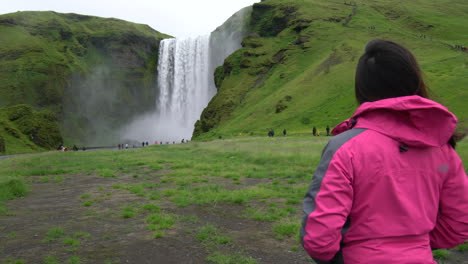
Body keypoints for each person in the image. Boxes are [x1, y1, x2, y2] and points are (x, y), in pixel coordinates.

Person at [301, 40, 468, 264]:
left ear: (362, 88)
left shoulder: (346, 147)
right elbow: (460, 222)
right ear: (414, 81)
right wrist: (413, 247)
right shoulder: (443, 149)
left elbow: (319, 238)